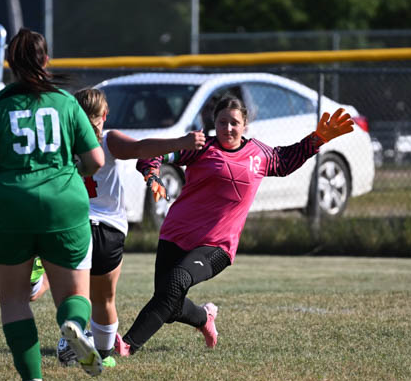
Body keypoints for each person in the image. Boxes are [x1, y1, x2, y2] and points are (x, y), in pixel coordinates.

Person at [0, 28, 105, 381]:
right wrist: (66, 172)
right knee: (74, 294)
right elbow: (95, 160)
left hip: (9, 207)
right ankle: (72, 325)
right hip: (63, 204)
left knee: (14, 299)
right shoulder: (66, 103)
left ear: (11, 65)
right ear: (46, 61)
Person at [121, 96, 355, 354]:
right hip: (175, 235)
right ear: (214, 123)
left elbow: (286, 160)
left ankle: (126, 346)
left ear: (245, 125)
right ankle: (204, 318)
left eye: (234, 122)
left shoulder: (258, 154)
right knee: (169, 304)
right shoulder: (200, 147)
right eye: (222, 122)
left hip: (217, 245)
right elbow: (154, 154)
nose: (228, 128)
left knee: (175, 283)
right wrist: (151, 174)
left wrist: (317, 139)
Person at [56, 87, 206, 365]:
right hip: (108, 232)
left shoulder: (64, 142)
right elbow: (140, 148)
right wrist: (181, 141)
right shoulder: (108, 140)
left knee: (73, 293)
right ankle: (102, 353)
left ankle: (69, 332)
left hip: (74, 228)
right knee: (105, 300)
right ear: (105, 114)